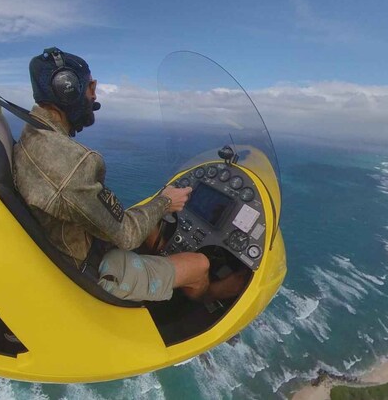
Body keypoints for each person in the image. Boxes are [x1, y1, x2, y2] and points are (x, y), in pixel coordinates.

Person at [12, 47, 245, 302]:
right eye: (91, 87)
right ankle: (206, 297)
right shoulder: (75, 163)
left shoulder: (31, 135)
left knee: (155, 228)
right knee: (200, 263)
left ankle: (163, 276)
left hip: (63, 249)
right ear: (67, 89)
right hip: (89, 271)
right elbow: (126, 235)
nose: (94, 96)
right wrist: (167, 200)